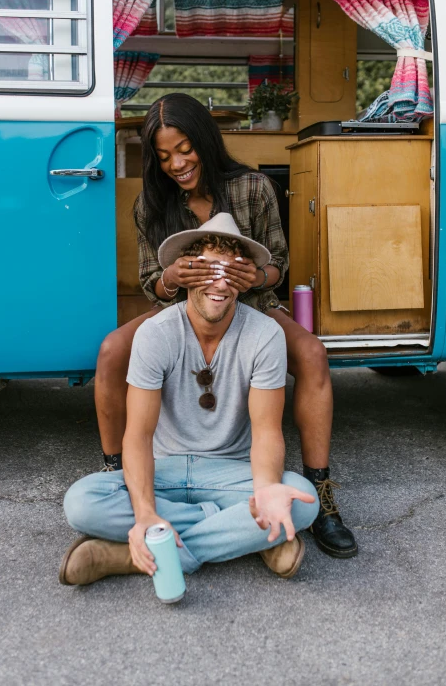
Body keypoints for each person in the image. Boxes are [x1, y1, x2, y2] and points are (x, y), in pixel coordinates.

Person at [95, 93, 357, 559]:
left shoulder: (253, 187)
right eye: (164, 156)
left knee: (314, 353)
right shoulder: (151, 204)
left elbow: (280, 263)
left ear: (204, 140)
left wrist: (256, 276)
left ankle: (323, 491)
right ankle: (117, 473)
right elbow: (150, 283)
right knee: (113, 351)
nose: (176, 163)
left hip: (255, 304)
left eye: (184, 149)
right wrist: (171, 277)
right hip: (183, 309)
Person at [60, 221, 319, 585]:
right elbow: (136, 436)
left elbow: (266, 432)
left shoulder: (265, 334)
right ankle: (247, 536)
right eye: (208, 270)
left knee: (302, 498)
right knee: (82, 502)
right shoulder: (156, 333)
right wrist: (147, 511)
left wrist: (264, 490)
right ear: (188, 274)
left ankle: (136, 556)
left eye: (229, 272)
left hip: (230, 471)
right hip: (164, 467)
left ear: (242, 280)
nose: (220, 283)